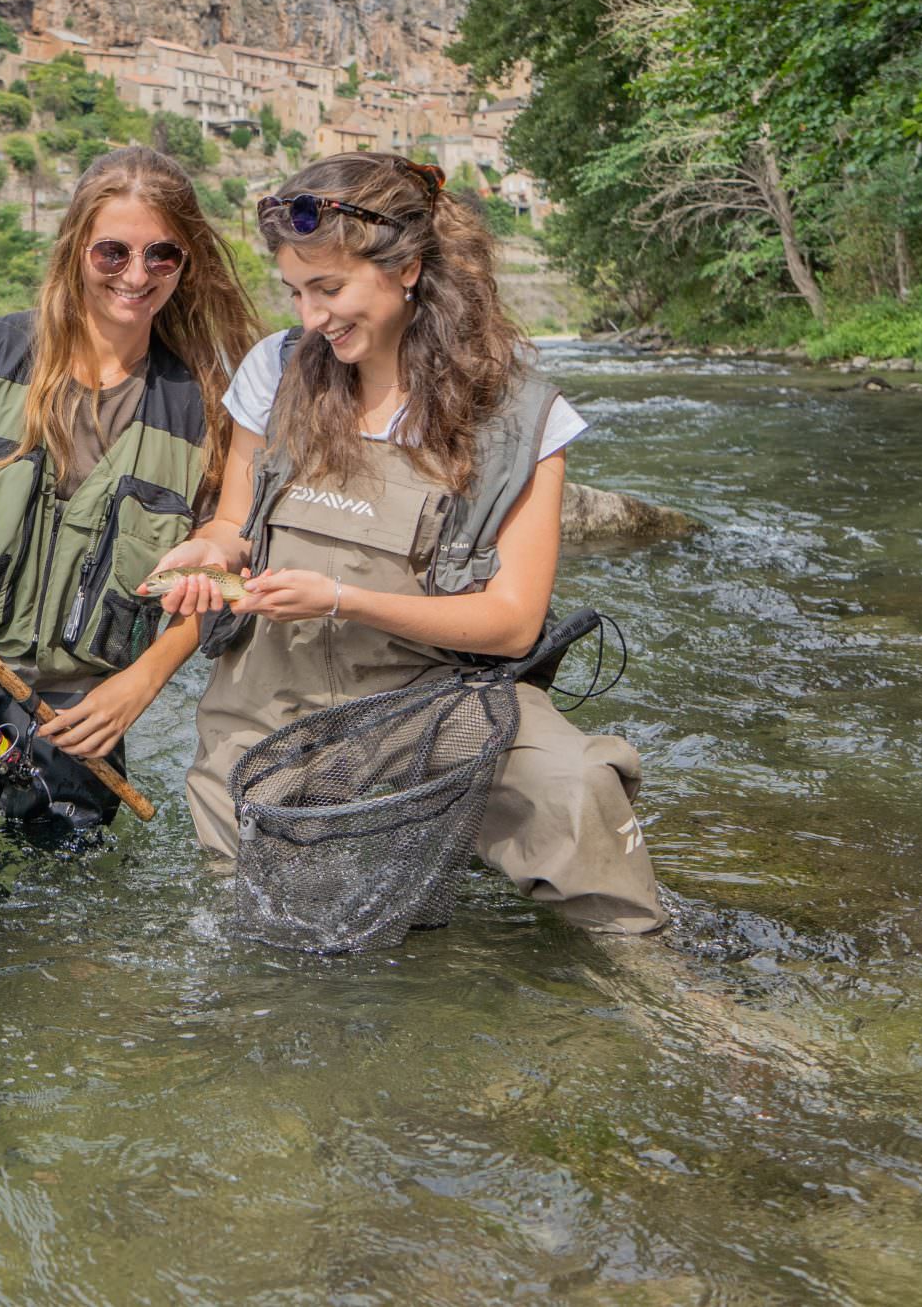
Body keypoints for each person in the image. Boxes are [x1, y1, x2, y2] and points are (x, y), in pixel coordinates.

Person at [148, 152, 665, 933]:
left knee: (579, 786)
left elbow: (516, 621)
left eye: (329, 289)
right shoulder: (274, 370)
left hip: (439, 708)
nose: (312, 316)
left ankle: (656, 976)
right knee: (267, 933)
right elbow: (232, 523)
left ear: (408, 268)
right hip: (272, 709)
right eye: (296, 292)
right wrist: (210, 551)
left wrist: (343, 599)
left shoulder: (520, 415)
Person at [0, 147, 265, 882]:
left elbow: (220, 582)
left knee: (72, 878)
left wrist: (137, 685)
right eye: (113, 251)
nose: (136, 276)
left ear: (187, 263)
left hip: (83, 696)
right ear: (77, 248)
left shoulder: (209, 407)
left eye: (161, 255)